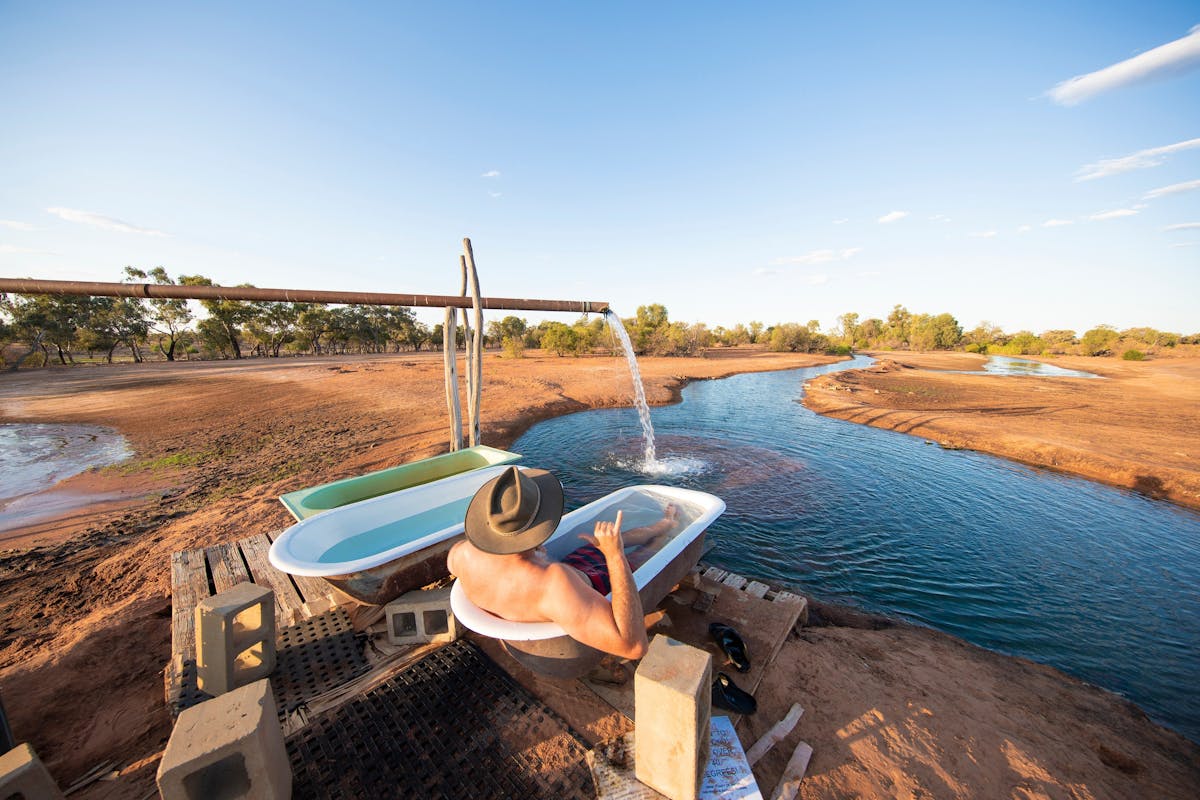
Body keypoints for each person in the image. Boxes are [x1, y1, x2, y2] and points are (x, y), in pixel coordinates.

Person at [447, 466, 678, 661]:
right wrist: (614, 556)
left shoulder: (460, 554)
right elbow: (634, 646)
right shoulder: (554, 584)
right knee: (637, 555)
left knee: (606, 542)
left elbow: (501, 571)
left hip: (566, 578)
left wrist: (528, 549)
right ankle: (665, 532)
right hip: (590, 588)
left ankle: (663, 525)